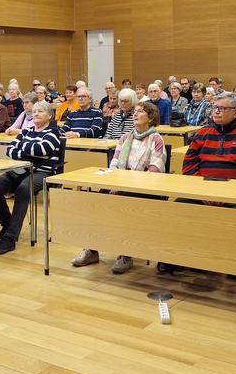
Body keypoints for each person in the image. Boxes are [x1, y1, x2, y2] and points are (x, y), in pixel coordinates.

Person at [72, 101, 167, 275]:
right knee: (96, 203)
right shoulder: (125, 138)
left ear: (151, 117)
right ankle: (91, 249)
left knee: (126, 205)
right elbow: (114, 164)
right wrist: (115, 183)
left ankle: (126, 254)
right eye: (135, 111)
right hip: (120, 183)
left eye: (140, 111)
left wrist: (129, 183)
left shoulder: (156, 139)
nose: (135, 114)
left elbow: (155, 169)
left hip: (144, 189)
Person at [0, 101, 62, 255]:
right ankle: (8, 224)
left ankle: (10, 238)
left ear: (49, 115)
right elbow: (10, 150)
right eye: (34, 111)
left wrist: (22, 149)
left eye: (40, 111)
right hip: (20, 170)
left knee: (23, 188)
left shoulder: (54, 132)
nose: (36, 114)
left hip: (42, 172)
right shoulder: (26, 131)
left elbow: (42, 149)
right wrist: (28, 152)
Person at [182, 92, 236, 181]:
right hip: (202, 185)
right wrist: (199, 183)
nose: (216, 111)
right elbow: (189, 163)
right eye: (214, 107)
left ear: (235, 112)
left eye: (222, 108)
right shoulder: (202, 133)